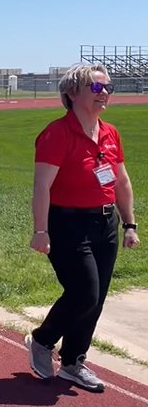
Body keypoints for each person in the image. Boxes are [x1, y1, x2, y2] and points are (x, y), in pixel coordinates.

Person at [26, 63, 139, 392]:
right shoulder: (57, 134)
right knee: (84, 292)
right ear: (71, 93)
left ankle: (74, 361)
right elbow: (41, 187)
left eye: (107, 88)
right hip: (68, 224)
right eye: (95, 87)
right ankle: (42, 340)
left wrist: (129, 223)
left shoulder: (110, 132)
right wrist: (40, 229)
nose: (103, 93)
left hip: (106, 223)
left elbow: (121, 181)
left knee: (98, 297)